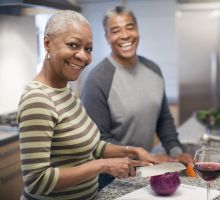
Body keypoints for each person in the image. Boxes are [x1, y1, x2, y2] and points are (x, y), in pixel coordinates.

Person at [17, 10, 157, 200]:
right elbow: (36, 181)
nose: (83, 56)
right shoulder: (38, 99)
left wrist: (132, 151)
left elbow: (93, 146)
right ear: (47, 43)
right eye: (73, 45)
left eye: (88, 49)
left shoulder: (67, 92)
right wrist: (102, 166)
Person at [81, 6, 192, 164]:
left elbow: (163, 119)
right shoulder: (97, 80)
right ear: (106, 37)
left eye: (129, 27)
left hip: (143, 167)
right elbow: (99, 140)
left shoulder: (154, 70)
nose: (125, 35)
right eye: (115, 30)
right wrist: (144, 157)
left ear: (138, 30)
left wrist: (176, 151)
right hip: (110, 175)